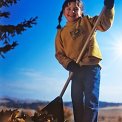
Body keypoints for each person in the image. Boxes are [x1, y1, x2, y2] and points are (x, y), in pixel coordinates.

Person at [55, 0, 114, 122]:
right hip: (74, 71)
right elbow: (59, 54)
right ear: (64, 12)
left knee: (90, 102)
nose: (72, 11)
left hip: (91, 68)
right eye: (68, 8)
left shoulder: (87, 21)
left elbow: (104, 24)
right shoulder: (61, 33)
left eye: (76, 9)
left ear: (81, 12)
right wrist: (69, 64)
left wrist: (109, 8)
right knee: (76, 102)